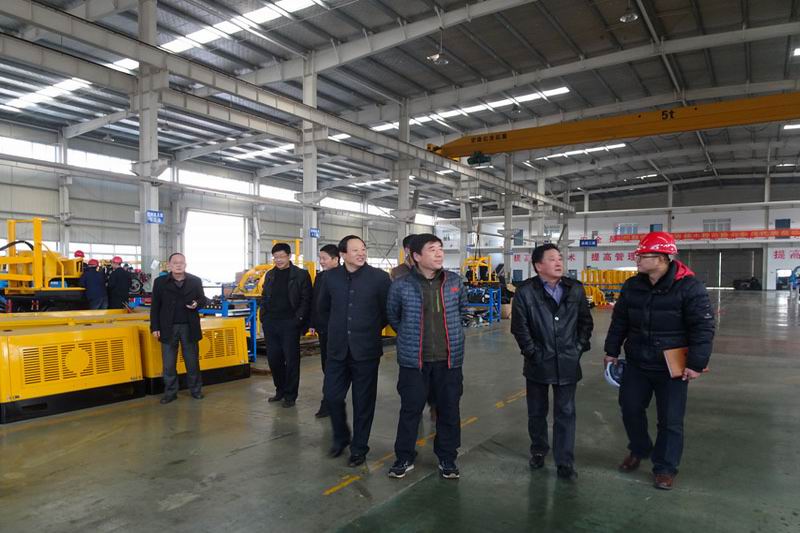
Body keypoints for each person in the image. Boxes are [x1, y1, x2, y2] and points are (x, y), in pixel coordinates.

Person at [604, 231, 715, 490]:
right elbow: (620, 321)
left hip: (672, 366)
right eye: (638, 255)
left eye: (643, 256)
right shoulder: (632, 286)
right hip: (637, 362)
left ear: (663, 258)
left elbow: (703, 327)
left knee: (670, 420)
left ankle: (665, 468)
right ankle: (640, 448)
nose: (637, 260)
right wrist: (611, 350)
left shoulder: (689, 287)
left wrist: (696, 363)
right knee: (630, 408)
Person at [386, 234, 468, 480]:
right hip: (414, 361)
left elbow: (463, 311)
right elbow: (393, 316)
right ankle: (404, 457)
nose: (439, 253)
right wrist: (409, 336)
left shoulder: (454, 281)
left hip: (449, 360)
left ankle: (447, 458)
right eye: (432, 249)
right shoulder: (401, 285)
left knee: (449, 410)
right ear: (417, 256)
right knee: (410, 410)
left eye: (440, 249)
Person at [510, 244, 593, 481]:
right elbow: (519, 327)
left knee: (565, 413)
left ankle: (564, 461)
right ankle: (538, 450)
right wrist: (533, 352)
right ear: (539, 266)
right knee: (537, 412)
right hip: (538, 362)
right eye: (552, 259)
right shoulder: (525, 292)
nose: (559, 263)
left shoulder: (575, 289)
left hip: (567, 361)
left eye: (560, 258)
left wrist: (577, 348)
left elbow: (585, 323)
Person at [319, 235, 391, 467]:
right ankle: (341, 437)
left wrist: (367, 329)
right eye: (355, 250)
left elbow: (386, 311)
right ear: (342, 254)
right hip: (337, 350)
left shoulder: (379, 278)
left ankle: (359, 448)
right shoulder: (329, 278)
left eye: (363, 249)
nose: (361, 253)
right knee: (332, 396)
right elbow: (322, 309)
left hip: (366, 351)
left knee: (363, 402)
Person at [150, 253, 208, 404]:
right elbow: (155, 306)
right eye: (175, 262)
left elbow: (202, 299)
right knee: (168, 363)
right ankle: (170, 393)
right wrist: (155, 327)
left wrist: (196, 303)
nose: (178, 265)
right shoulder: (160, 282)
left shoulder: (195, 281)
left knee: (192, 362)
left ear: (185, 265)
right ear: (169, 265)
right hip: (167, 327)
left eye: (181, 262)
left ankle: (196, 390)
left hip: (189, 327)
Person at [260, 242, 313, 408]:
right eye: (275, 257)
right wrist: (264, 317)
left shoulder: (301, 275)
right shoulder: (270, 275)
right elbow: (264, 296)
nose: (278, 260)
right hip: (271, 323)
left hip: (290, 323)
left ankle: (290, 395)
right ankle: (280, 390)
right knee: (274, 359)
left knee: (291, 361)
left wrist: (297, 320)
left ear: (289, 256)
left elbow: (306, 299)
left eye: (281, 257)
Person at [310, 243, 340, 418]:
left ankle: (328, 402)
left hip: (339, 329)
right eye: (320, 258)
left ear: (336, 259)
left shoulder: (344, 276)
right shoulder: (320, 277)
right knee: (326, 365)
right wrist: (313, 323)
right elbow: (315, 301)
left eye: (324, 258)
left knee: (334, 367)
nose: (321, 261)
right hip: (324, 328)